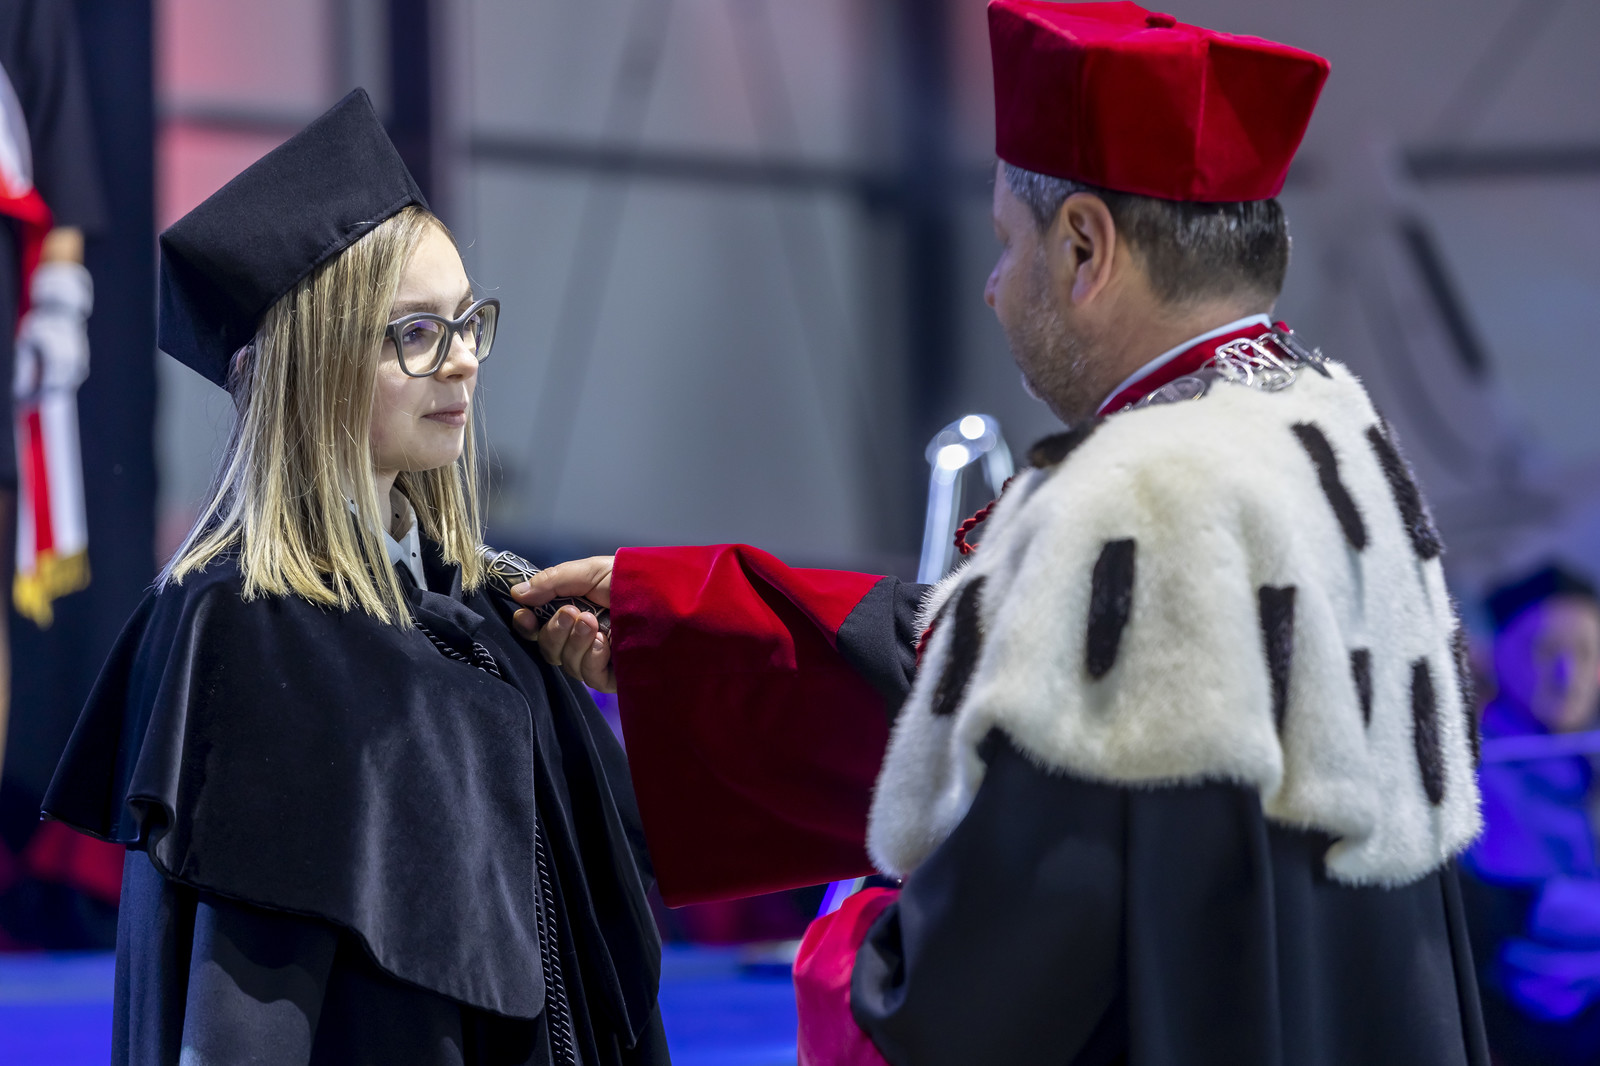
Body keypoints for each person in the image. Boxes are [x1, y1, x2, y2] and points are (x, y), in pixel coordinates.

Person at [515, 3, 1491, 1063]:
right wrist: (675, 626)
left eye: (1005, 241)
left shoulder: (1125, 518)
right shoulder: (1335, 448)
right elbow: (965, 653)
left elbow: (985, 978)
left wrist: (853, 945)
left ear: (1084, 246)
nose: (991, 288)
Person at [41, 90, 666, 1065]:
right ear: (315, 359)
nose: (463, 362)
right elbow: (243, 1017)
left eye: (467, 322)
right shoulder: (247, 628)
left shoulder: (481, 612)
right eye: (417, 333)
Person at [1461, 564, 1600, 1065]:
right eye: (1545, 651)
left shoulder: (1583, 765)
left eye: (1586, 653)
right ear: (1495, 655)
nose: (1567, 675)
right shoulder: (1472, 771)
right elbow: (1505, 909)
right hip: (1524, 1020)